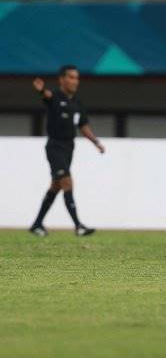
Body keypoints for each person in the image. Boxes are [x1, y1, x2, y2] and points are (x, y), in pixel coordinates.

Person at [29, 66, 105, 237]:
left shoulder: (77, 104)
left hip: (69, 148)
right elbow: (46, 95)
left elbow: (83, 126)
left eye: (76, 78)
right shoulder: (55, 96)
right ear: (61, 79)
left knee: (56, 186)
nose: (74, 81)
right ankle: (78, 226)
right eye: (71, 77)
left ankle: (36, 224)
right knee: (67, 183)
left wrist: (96, 142)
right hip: (55, 147)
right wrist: (41, 90)